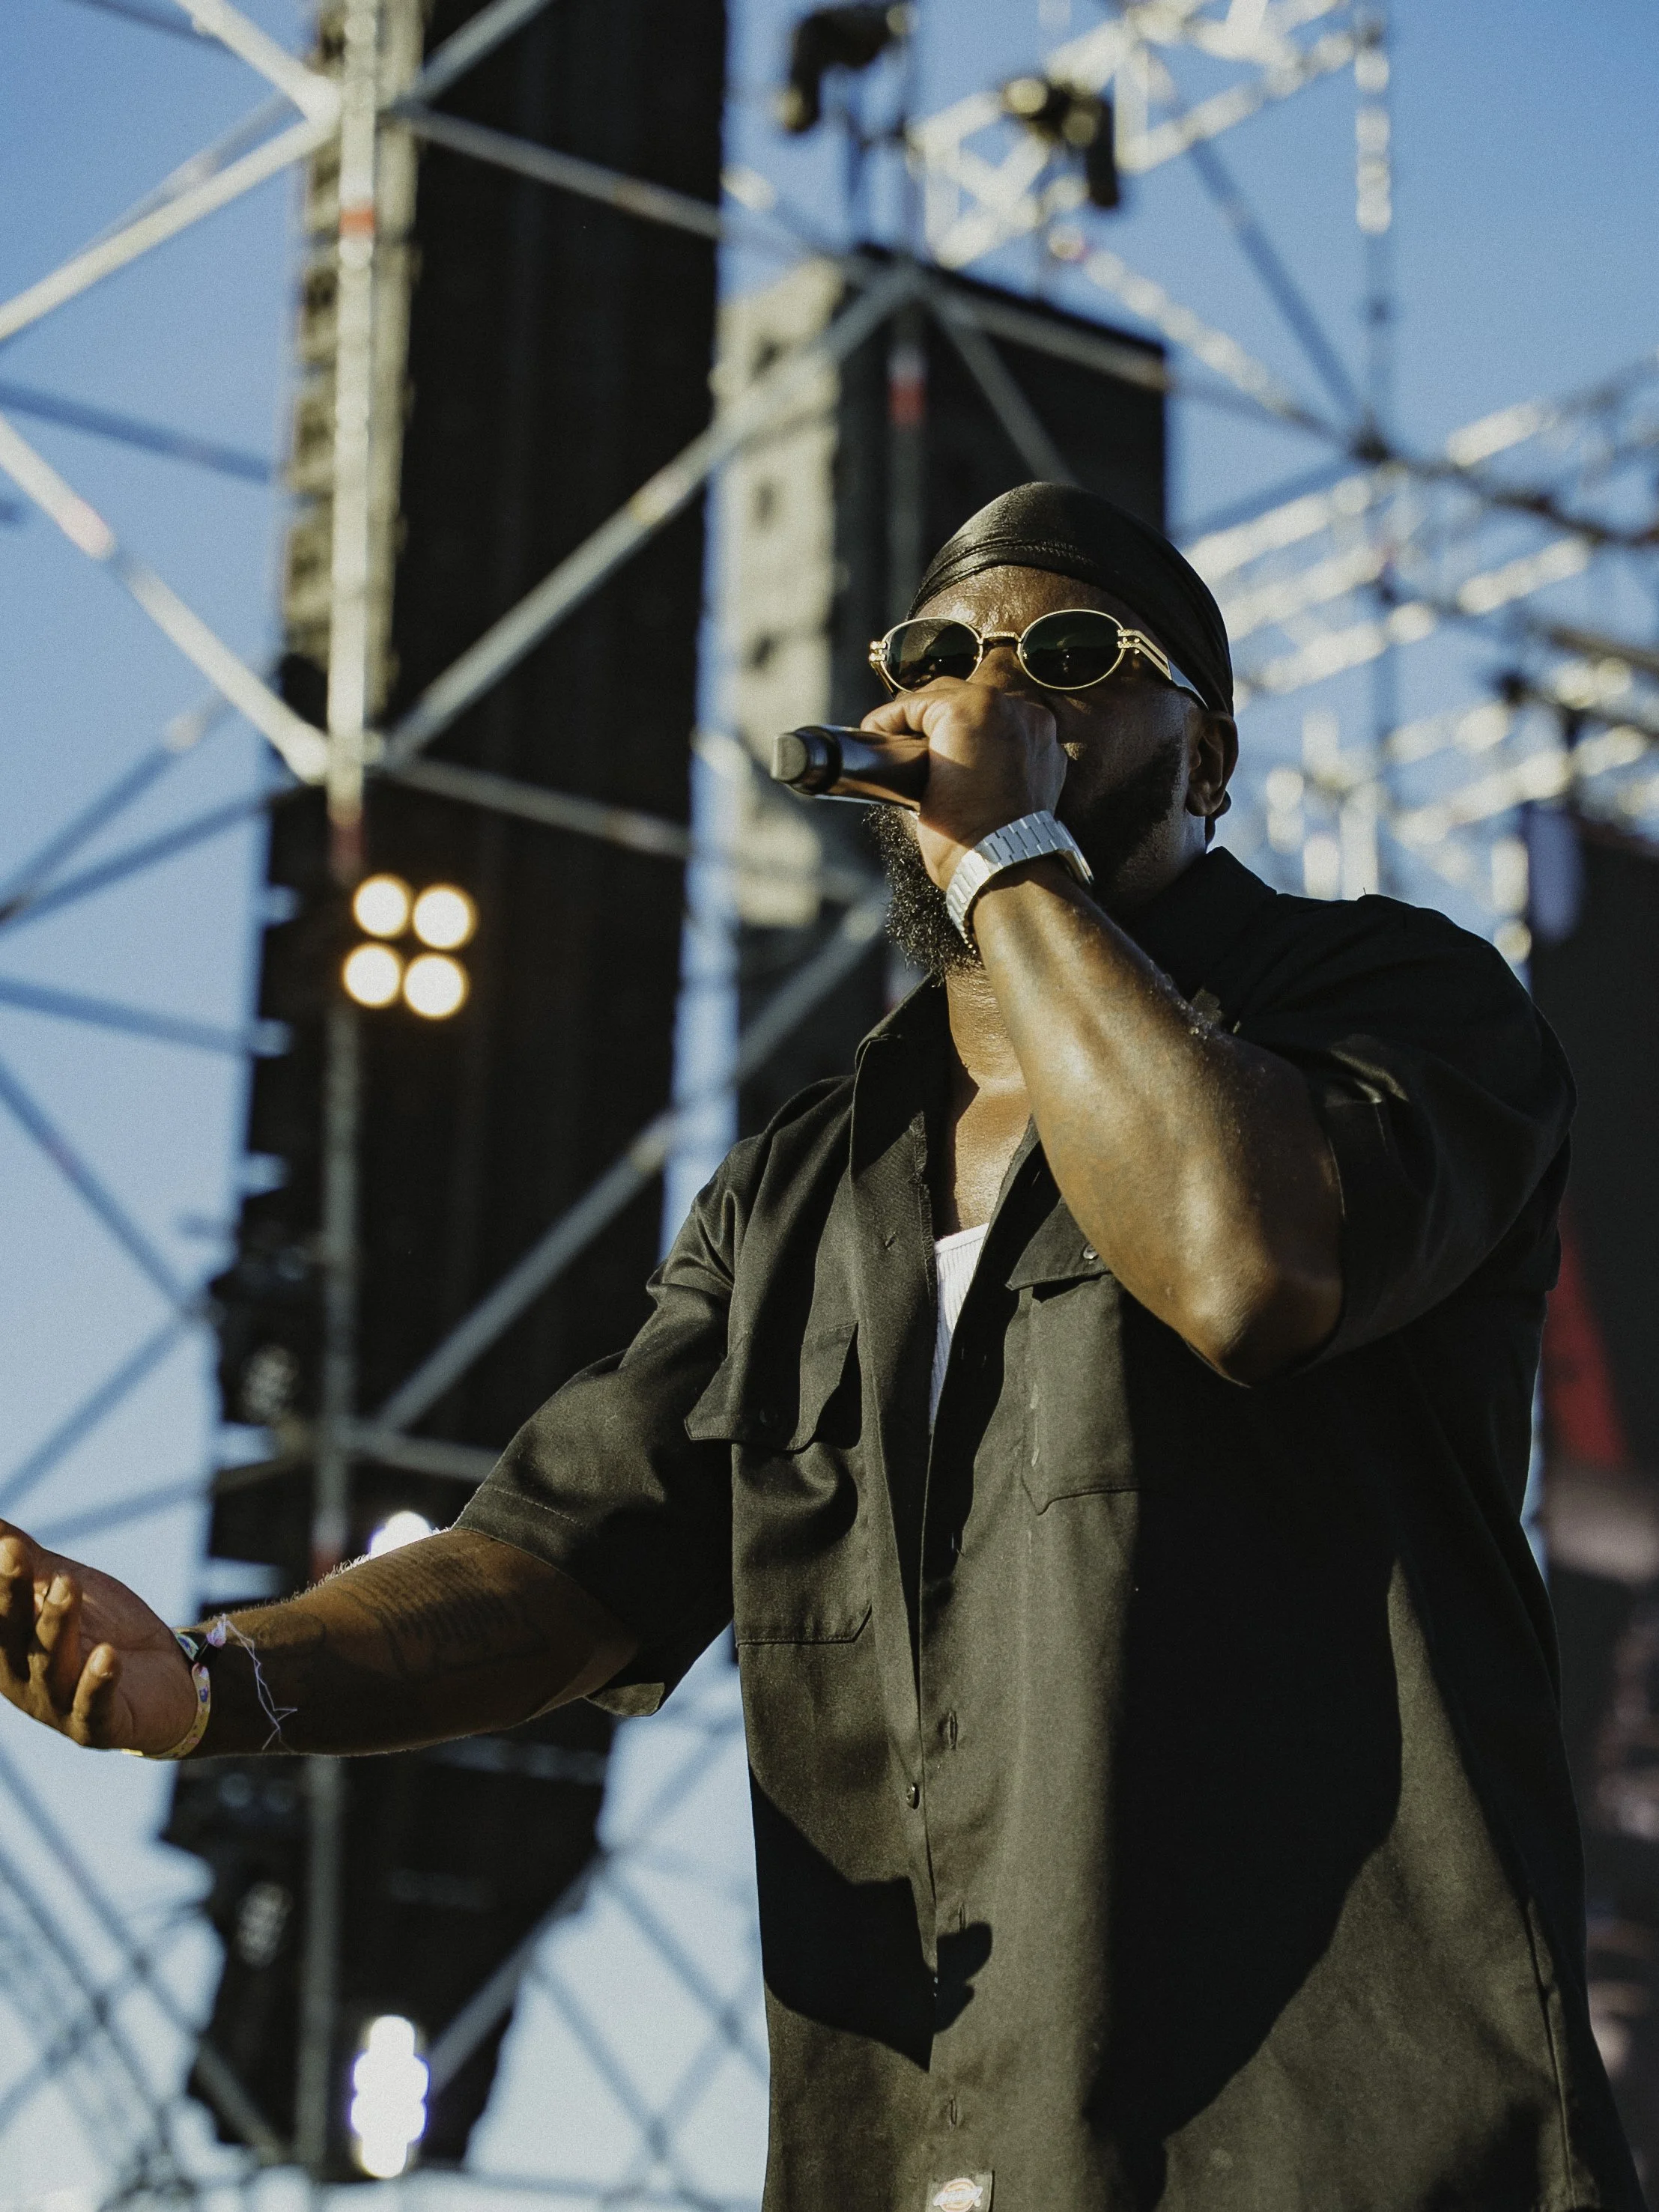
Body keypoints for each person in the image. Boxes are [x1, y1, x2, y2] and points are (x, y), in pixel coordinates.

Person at [0, 482, 1640, 2212]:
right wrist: (222, 1679)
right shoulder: (801, 1186)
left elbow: (1243, 1267)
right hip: (938, 2145)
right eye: (939, 657)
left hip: (1354, 2140)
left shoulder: (1391, 1005)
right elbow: (561, 1568)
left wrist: (1016, 857)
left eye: (1073, 658)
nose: (991, 695)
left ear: (1209, 760)